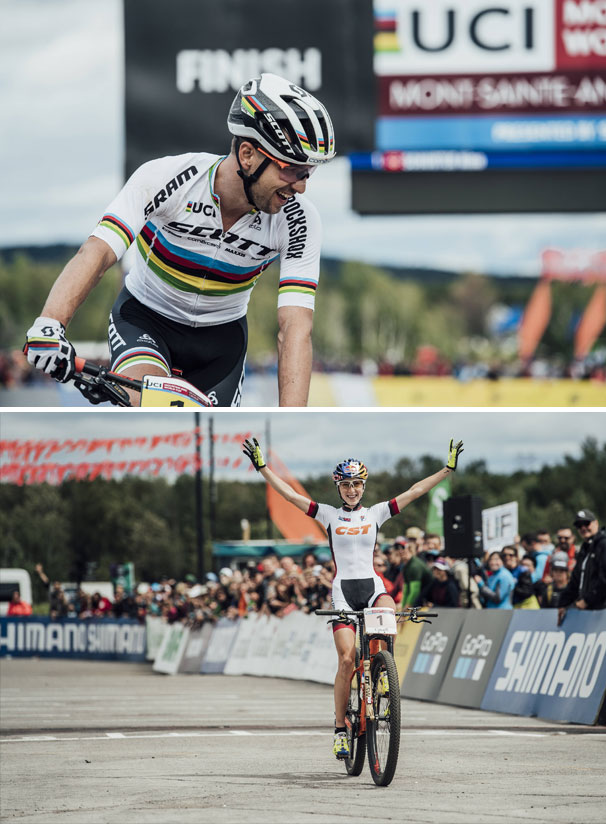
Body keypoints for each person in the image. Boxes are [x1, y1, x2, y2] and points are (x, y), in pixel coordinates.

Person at [24, 73, 336, 407]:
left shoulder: (300, 219)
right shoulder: (168, 178)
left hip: (221, 342)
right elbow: (98, 252)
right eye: (291, 170)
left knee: (210, 446)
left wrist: (292, 418)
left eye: (308, 173)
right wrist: (51, 322)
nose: (301, 186)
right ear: (247, 154)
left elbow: (295, 327)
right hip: (146, 318)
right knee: (148, 409)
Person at [242, 435, 464, 759]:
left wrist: (446, 470)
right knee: (347, 659)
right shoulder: (328, 515)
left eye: (357, 484)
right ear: (338, 488)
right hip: (343, 592)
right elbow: (290, 495)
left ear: (364, 486)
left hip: (372, 587)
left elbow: (415, 491)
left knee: (389, 615)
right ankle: (340, 729)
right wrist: (263, 468)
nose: (351, 490)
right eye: (346, 485)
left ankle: (383, 672)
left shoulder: (375, 513)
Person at [558, 509, 606, 624]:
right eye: (579, 525)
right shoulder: (585, 547)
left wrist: (587, 600)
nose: (583, 528)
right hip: (589, 611)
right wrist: (563, 603)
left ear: (596, 523)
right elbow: (575, 580)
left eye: (586, 523)